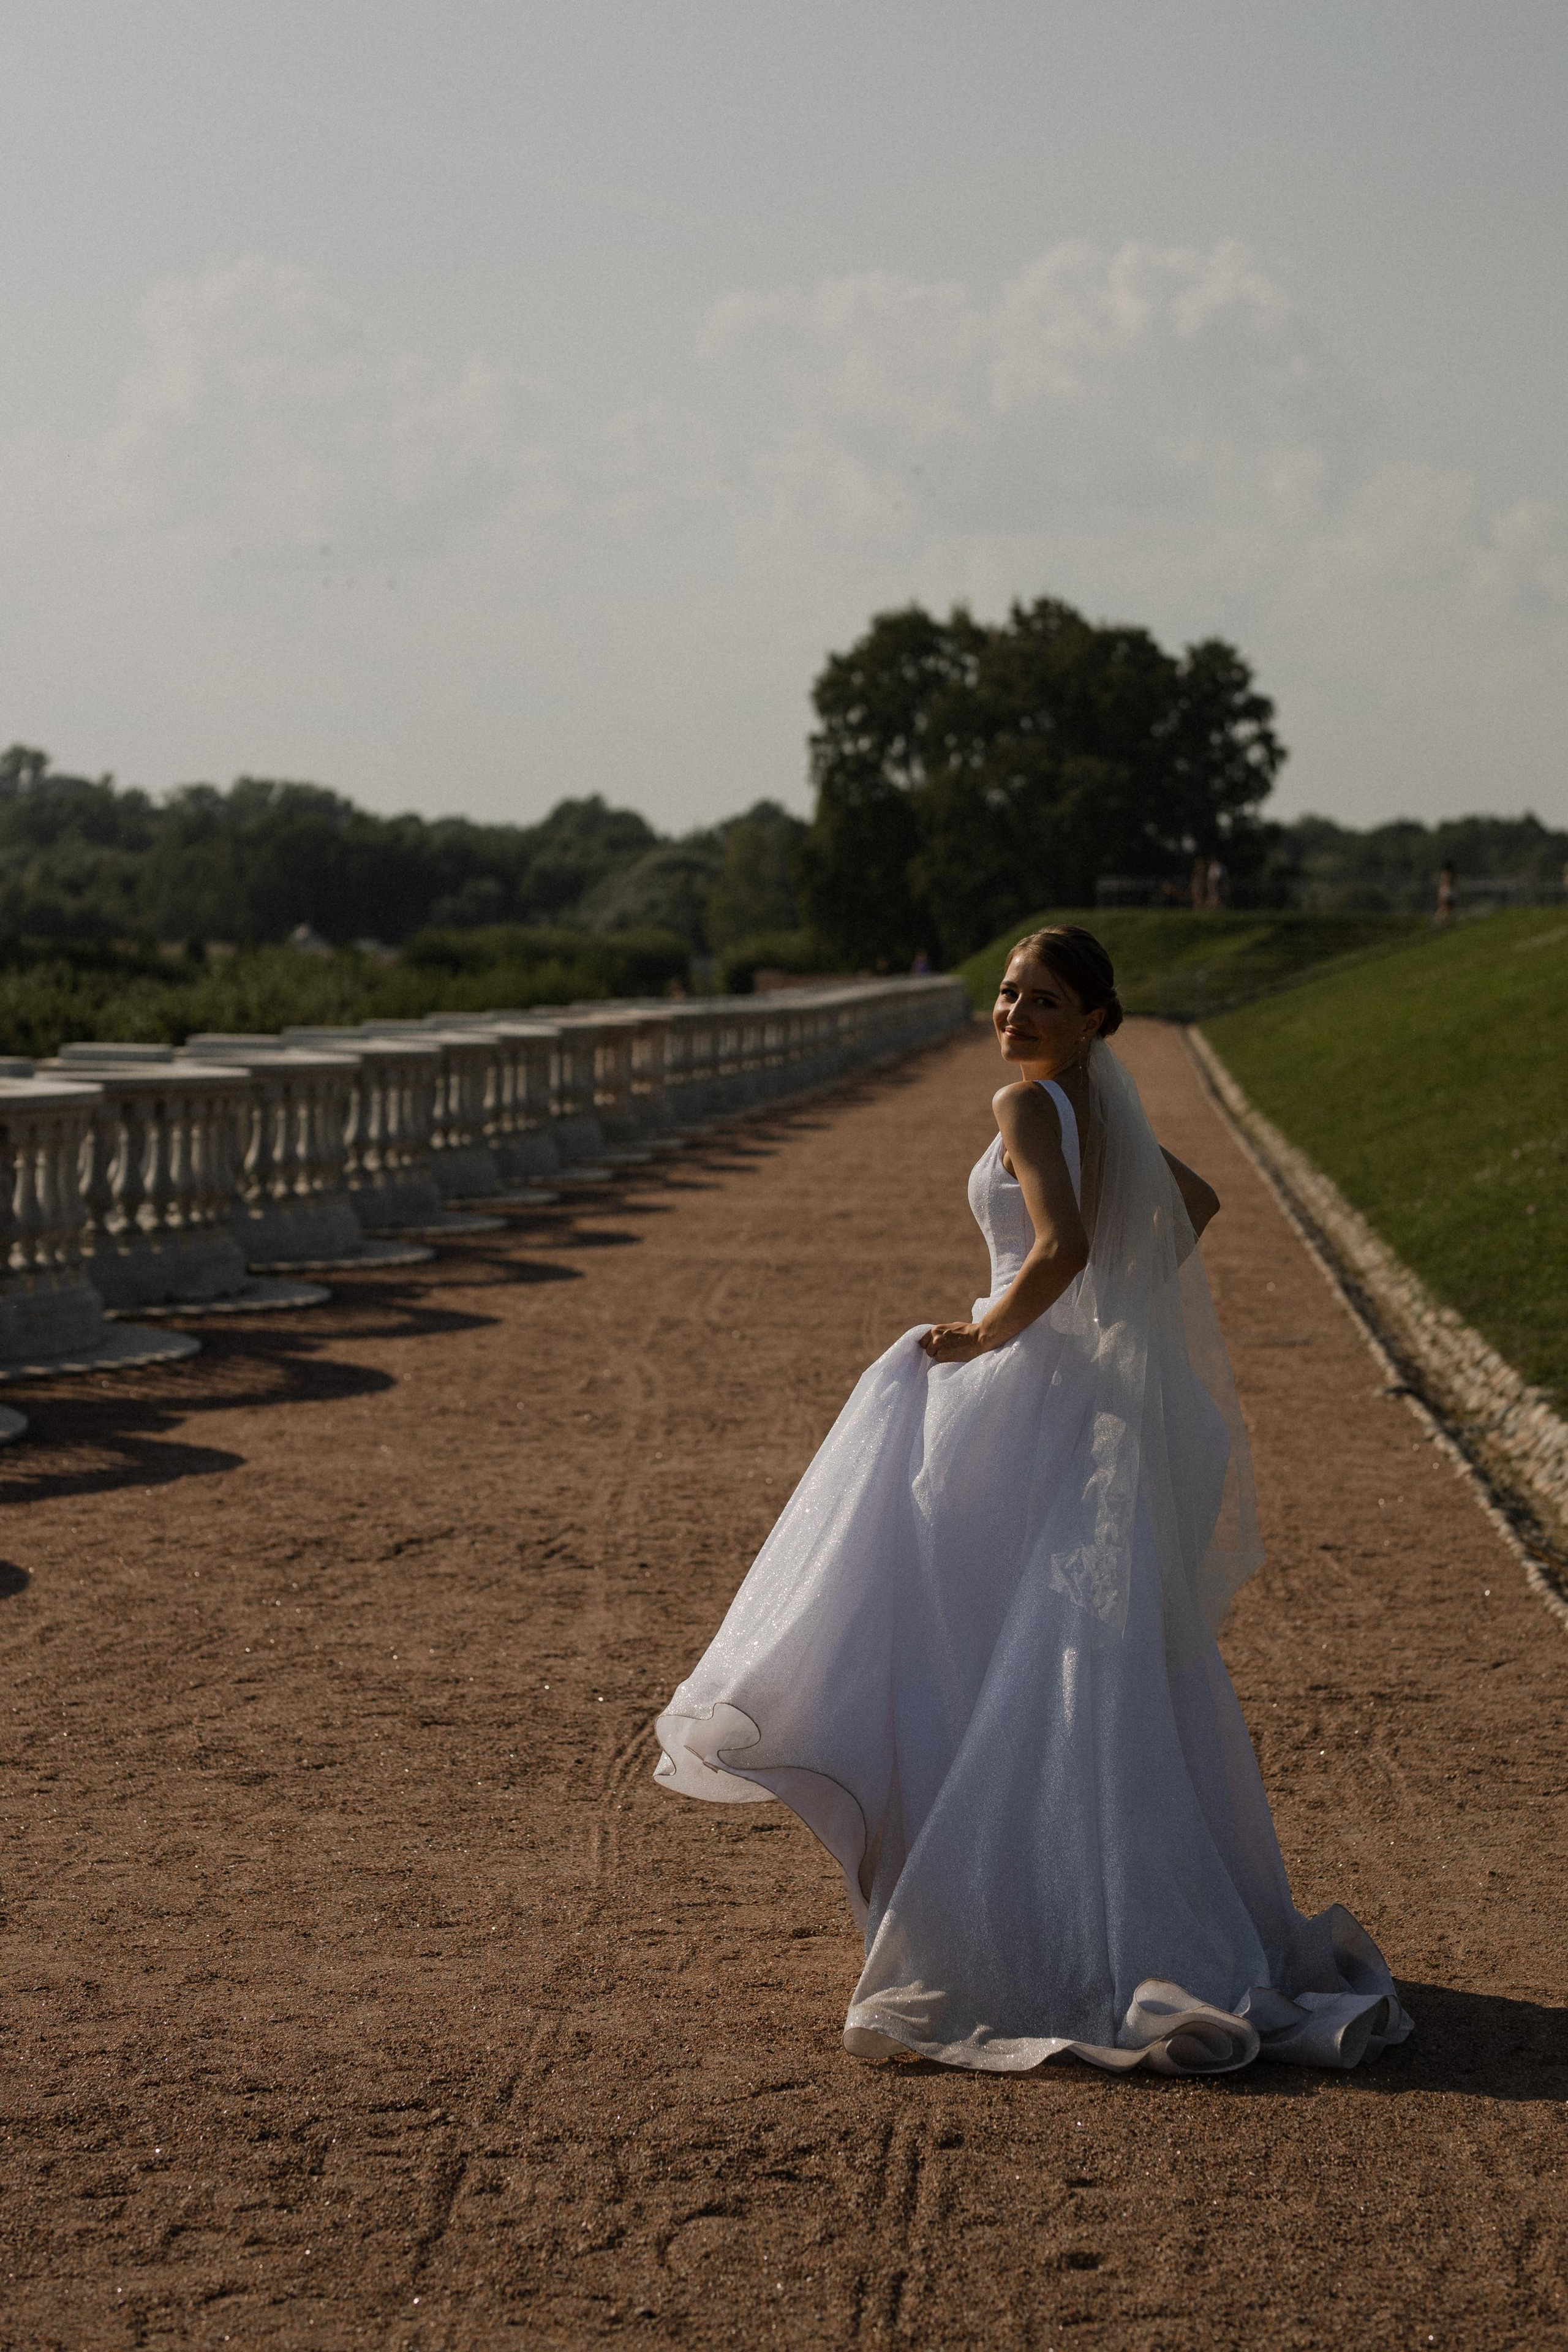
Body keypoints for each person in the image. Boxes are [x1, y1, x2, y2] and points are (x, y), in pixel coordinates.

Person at [655, 927, 1411, 2076]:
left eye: (1044, 1000)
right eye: (1009, 995)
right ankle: (1113, 1901)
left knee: (964, 1631)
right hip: (1093, 1399)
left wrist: (987, 1333)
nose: (1016, 1015)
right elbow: (1192, 1204)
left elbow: (1055, 1250)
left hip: (1024, 1399)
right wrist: (1115, 1320)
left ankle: (1016, 1916)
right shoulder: (1104, 1112)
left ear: (1095, 1018)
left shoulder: (1027, 1112)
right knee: (1080, 1651)